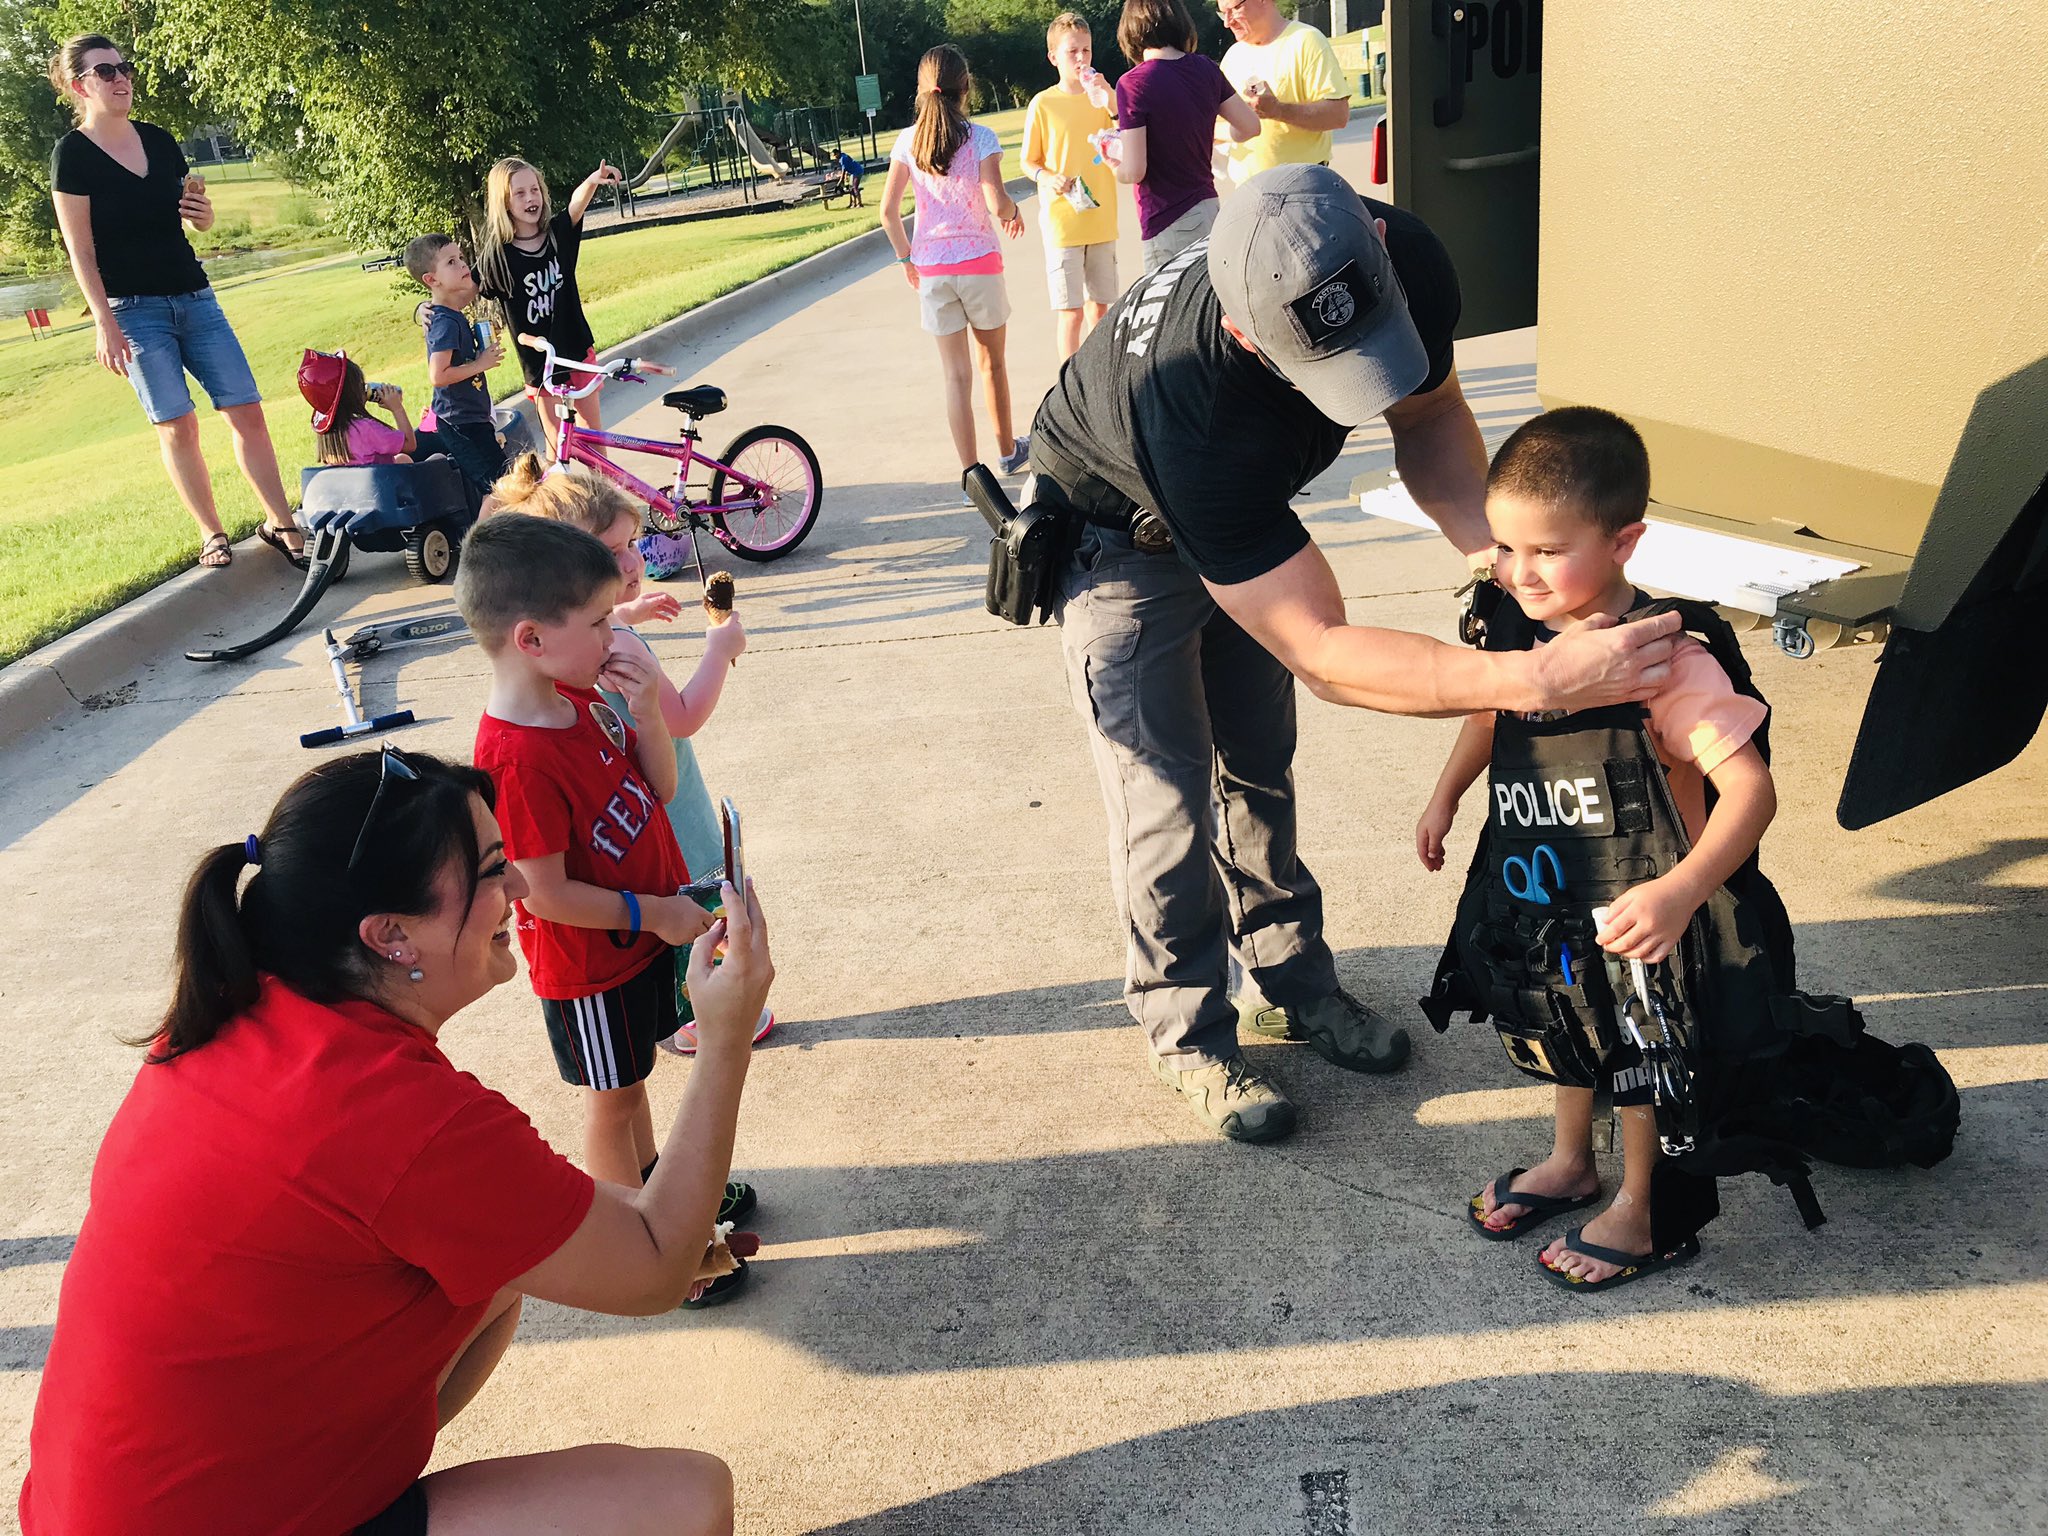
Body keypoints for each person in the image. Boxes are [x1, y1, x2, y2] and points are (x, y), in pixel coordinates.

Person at [1027, 164, 1681, 1142]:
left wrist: (1496, 560)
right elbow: (1324, 653)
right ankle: (1187, 1032)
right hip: (1116, 534)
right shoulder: (1194, 401)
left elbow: (1425, 419)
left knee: (1258, 763)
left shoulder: (1404, 255)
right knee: (1163, 800)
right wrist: (1533, 677)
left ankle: (1291, 983)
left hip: (1239, 518)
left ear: (1374, 240)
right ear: (1249, 334)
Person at [18, 746, 772, 1536]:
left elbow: (534, 1214)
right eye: (489, 870)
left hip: (101, 1506)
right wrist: (723, 1040)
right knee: (686, 1502)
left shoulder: (237, 1016)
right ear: (390, 936)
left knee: (494, 1276)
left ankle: (353, 1486)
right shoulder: (391, 1114)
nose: (518, 886)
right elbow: (652, 1270)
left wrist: (658, 1224)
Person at [1417, 408, 1776, 1290]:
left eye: (1546, 550)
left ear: (1625, 542)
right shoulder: (1519, 628)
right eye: (1505, 549)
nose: (1519, 573)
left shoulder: (1668, 660)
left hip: (1639, 899)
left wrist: (1683, 892)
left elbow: (1752, 791)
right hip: (1545, 887)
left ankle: (1641, 1201)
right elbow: (1491, 712)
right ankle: (1571, 1160)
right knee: (1561, 1019)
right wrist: (1447, 793)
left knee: (1638, 1050)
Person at [458, 515, 769, 1301]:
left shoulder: (583, 695)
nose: (614, 630)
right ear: (530, 639)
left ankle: (665, 1191)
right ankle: (646, 1245)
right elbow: (548, 894)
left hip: (634, 942)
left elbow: (659, 789)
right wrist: (653, 914)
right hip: (588, 969)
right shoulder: (515, 757)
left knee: (634, 1087)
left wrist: (647, 714)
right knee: (614, 1102)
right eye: (599, 621)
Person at [487, 457, 772, 1057]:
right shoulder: (618, 649)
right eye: (609, 553)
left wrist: (624, 613)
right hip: (659, 815)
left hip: (631, 811)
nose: (631, 562)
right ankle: (699, 1014)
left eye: (633, 544)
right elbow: (685, 716)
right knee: (701, 906)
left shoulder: (578, 643)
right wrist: (721, 647)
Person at [47, 34, 306, 572]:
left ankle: (282, 524)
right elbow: (81, 252)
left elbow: (195, 218)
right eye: (106, 72)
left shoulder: (160, 141)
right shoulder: (72, 156)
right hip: (133, 311)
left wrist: (202, 214)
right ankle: (212, 534)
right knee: (177, 424)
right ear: (79, 86)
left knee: (246, 411)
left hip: (195, 297)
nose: (121, 78)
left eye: (124, 67)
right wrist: (104, 324)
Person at [878, 45, 1031, 483]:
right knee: (992, 365)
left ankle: (971, 474)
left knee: (955, 377)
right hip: (980, 266)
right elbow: (996, 202)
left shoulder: (908, 142)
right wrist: (1014, 213)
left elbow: (888, 212)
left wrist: (907, 258)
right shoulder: (981, 137)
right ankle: (1006, 452)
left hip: (934, 271)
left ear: (922, 91)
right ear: (967, 87)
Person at [476, 156, 623, 456]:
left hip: (576, 350)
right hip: (540, 366)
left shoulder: (558, 235)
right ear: (503, 202)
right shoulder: (497, 258)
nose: (531, 198)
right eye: (519, 193)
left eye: (535, 190)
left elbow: (575, 206)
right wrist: (431, 308)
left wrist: (593, 180)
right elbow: (463, 286)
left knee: (595, 444)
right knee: (558, 449)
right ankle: (564, 500)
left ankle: (605, 500)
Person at [1102, 0, 1258, 271]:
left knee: (1172, 309)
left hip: (1166, 218)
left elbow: (1135, 170)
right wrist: (1210, 133)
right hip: (1209, 207)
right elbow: (1250, 127)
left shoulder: (1133, 84)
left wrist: (1114, 166)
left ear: (1131, 31)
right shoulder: (1206, 68)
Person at [1020, 13, 1120, 360]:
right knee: (1071, 312)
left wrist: (1108, 96)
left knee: (1100, 309)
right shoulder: (1043, 104)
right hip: (1063, 221)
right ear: (1054, 57)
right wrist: (1048, 178)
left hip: (1101, 216)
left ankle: (1099, 372)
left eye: (1087, 51)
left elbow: (1125, 127)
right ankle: (1068, 383)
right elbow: (1028, 161)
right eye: (1072, 52)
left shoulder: (1102, 98)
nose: (1081, 59)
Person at [404, 231, 510, 494]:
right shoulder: (444, 322)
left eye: (461, 258)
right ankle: (483, 536)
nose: (463, 264)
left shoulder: (452, 313)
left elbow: (468, 290)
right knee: (501, 489)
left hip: (469, 417)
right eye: (451, 262)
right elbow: (438, 375)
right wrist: (480, 363)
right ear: (431, 280)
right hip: (460, 422)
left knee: (501, 485)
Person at [1217, 0, 1350, 186]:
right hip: (1247, 191)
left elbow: (1338, 115)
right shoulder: (1233, 56)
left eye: (1235, 9)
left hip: (1303, 186)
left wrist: (1278, 110)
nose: (1227, 21)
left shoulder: (1305, 40)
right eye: (1223, 13)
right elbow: (1220, 125)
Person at [299, 348, 426, 465]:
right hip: (382, 487)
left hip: (357, 487)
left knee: (402, 459)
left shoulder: (327, 437)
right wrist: (397, 408)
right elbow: (410, 445)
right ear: (351, 392)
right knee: (437, 458)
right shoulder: (365, 429)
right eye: (360, 385)